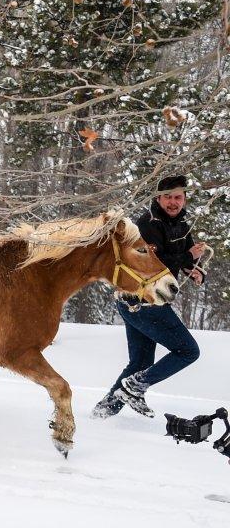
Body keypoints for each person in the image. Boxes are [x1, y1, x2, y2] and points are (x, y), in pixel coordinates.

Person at [93, 176, 207, 419]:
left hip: (144, 301)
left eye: (178, 197)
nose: (173, 202)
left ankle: (102, 413)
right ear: (158, 198)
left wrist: (194, 270)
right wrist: (189, 255)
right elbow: (155, 262)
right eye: (167, 197)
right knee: (188, 351)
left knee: (140, 363)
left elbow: (179, 259)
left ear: (185, 199)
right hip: (141, 301)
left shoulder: (182, 223)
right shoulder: (147, 225)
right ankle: (135, 388)